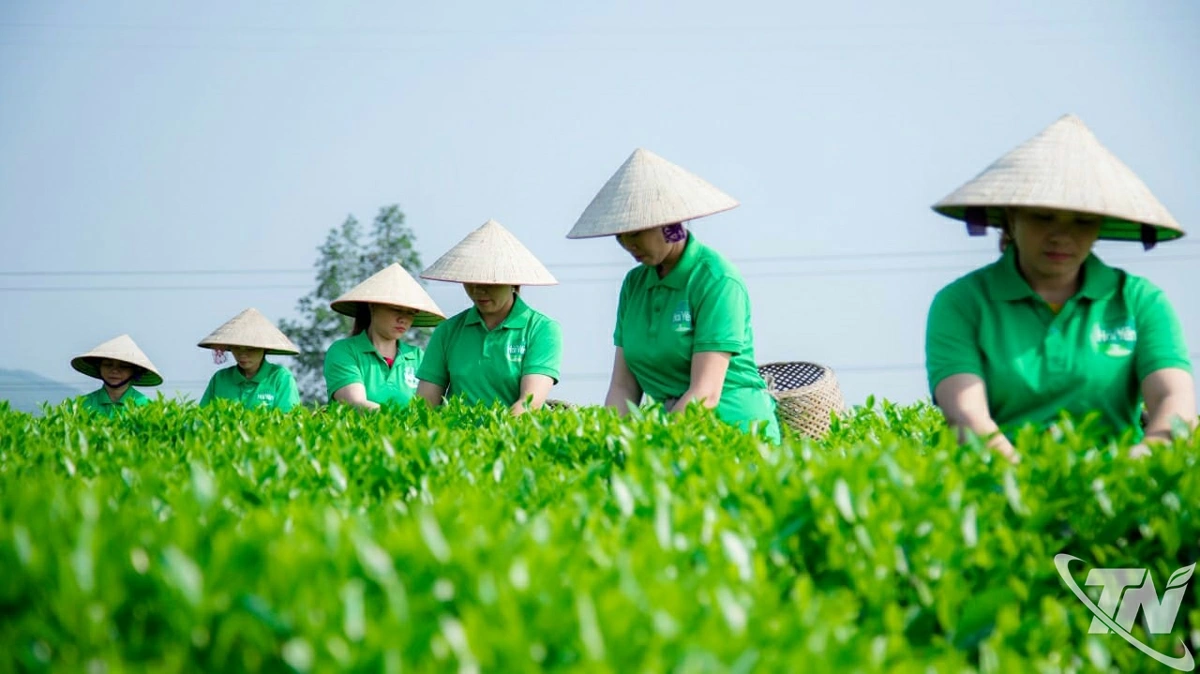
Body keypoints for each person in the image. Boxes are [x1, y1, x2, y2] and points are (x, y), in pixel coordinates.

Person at [926, 114, 1195, 462]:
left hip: (1116, 495)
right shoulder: (963, 303)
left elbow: (1174, 403)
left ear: (1099, 225)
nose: (1061, 236)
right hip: (999, 489)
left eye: (1082, 221)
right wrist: (1030, 485)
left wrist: (1126, 472)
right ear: (1012, 216)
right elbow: (966, 417)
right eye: (1043, 216)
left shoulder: (1140, 302)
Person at [566, 148, 781, 442]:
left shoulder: (716, 280)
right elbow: (623, 388)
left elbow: (705, 393)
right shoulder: (634, 284)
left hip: (733, 432)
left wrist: (657, 447)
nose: (629, 244)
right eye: (620, 235)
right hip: (671, 431)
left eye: (637, 232)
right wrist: (609, 439)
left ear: (670, 225)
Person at [415, 219, 563, 414]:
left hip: (514, 438)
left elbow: (529, 403)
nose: (478, 290)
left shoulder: (541, 329)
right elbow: (425, 405)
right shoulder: (448, 331)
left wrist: (494, 440)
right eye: (470, 281)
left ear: (512, 281)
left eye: (489, 283)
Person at [323, 263, 446, 411]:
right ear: (372, 306)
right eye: (396, 310)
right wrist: (403, 423)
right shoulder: (344, 351)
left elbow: (428, 408)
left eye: (410, 313)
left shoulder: (417, 357)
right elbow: (355, 404)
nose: (403, 319)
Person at [197, 307, 302, 411]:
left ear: (264, 348)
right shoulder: (220, 378)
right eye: (237, 348)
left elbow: (288, 419)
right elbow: (203, 418)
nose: (242, 354)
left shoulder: (280, 377)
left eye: (250, 349)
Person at [71, 334, 163, 416]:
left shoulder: (147, 407)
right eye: (108, 365)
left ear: (135, 371)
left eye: (123, 366)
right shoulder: (80, 405)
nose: (114, 371)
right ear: (99, 367)